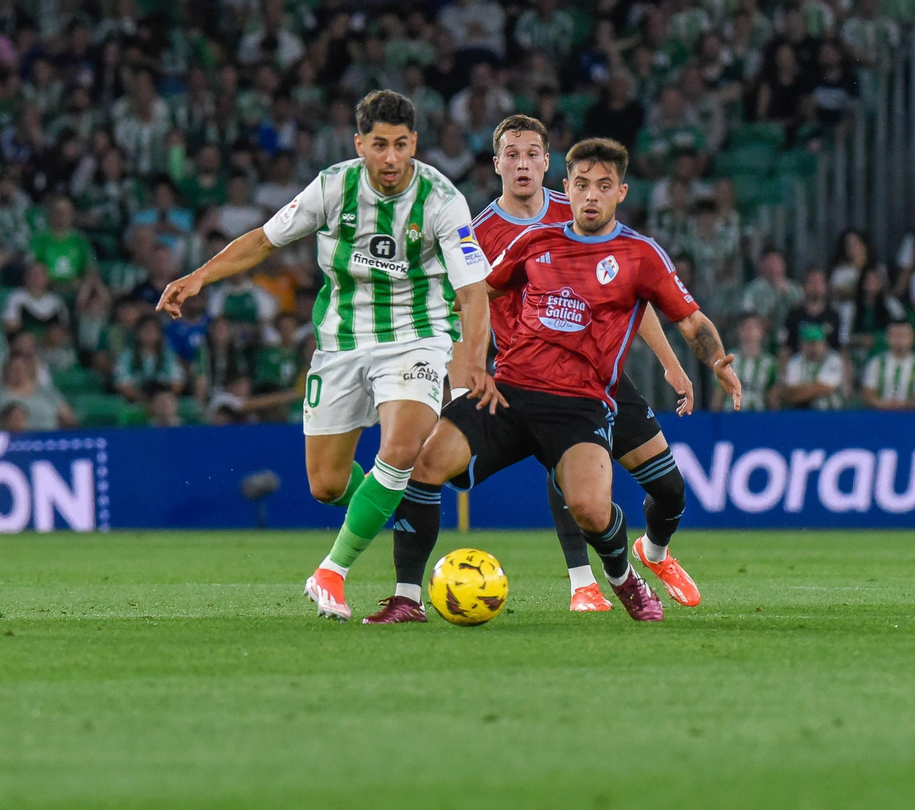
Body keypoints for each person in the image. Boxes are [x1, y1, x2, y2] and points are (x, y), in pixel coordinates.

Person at [155, 91, 501, 621]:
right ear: (359, 143)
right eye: (379, 145)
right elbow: (264, 241)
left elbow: (474, 292)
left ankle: (330, 572)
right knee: (328, 485)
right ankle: (385, 498)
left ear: (415, 144)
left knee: (403, 446)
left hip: (418, 336)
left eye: (401, 145)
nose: (391, 158)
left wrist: (473, 360)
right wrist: (198, 276)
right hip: (341, 342)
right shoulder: (332, 186)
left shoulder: (441, 198)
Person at [378, 138, 742, 624]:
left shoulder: (640, 255)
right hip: (509, 391)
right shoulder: (533, 242)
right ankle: (406, 599)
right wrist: (456, 354)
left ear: (621, 193)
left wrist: (715, 360)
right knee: (421, 465)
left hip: (581, 404)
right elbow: (478, 292)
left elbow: (691, 321)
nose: (592, 196)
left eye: (604, 186)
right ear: (566, 188)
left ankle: (624, 577)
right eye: (583, 185)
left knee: (594, 509)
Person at [447, 114, 701, 615]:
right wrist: (462, 386)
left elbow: (637, 288)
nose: (522, 164)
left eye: (531, 154)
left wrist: (671, 364)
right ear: (496, 163)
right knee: (563, 465)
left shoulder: (582, 209)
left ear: (548, 164)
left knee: (669, 488)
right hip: (528, 376)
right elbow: (464, 309)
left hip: (599, 375)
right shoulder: (477, 234)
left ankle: (653, 553)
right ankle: (582, 582)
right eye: (511, 155)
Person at [861, 321, 915, 410]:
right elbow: (868, 393)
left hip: (912, 416)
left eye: (903, 335)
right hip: (880, 415)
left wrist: (905, 405)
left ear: (912, 338)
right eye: (895, 335)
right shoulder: (875, 363)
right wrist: (885, 405)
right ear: (887, 338)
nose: (899, 339)